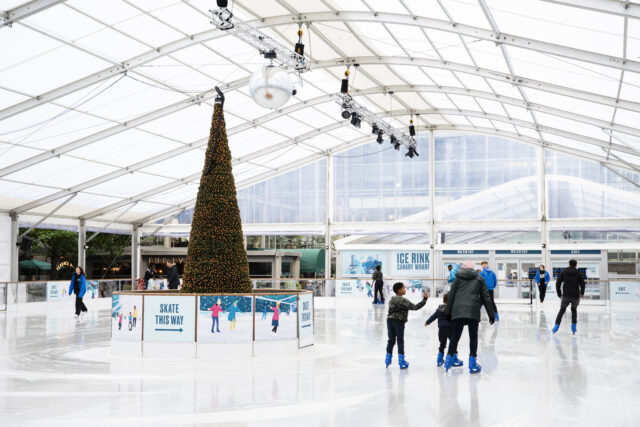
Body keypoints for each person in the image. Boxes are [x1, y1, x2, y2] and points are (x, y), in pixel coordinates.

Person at [445, 260, 495, 374]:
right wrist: (491, 314)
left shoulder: (457, 279)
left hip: (458, 311)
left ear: (463, 268)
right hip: (473, 310)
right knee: (473, 337)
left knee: (455, 337)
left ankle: (448, 361)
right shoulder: (479, 279)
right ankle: (472, 364)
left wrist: (448, 312)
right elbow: (486, 297)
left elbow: (451, 296)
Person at [385, 282, 430, 369]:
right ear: (399, 290)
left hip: (389, 321)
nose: (404, 289)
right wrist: (425, 299)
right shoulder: (403, 301)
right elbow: (415, 307)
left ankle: (387, 359)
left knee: (391, 340)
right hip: (398, 322)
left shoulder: (391, 300)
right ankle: (401, 361)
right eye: (403, 288)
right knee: (400, 341)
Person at [552, 260, 585, 335]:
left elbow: (558, 283)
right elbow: (582, 284)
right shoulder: (578, 273)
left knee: (562, 310)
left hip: (566, 295)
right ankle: (573, 327)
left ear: (569, 264)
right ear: (576, 265)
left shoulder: (564, 272)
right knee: (574, 310)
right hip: (575, 296)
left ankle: (556, 327)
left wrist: (559, 293)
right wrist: (582, 293)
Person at [425, 293, 453, 367]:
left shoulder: (439, 308)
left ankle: (439, 359)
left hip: (441, 329)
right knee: (453, 343)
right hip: (450, 328)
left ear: (443, 300)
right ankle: (452, 359)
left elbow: (433, 316)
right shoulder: (451, 308)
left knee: (442, 344)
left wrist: (427, 322)